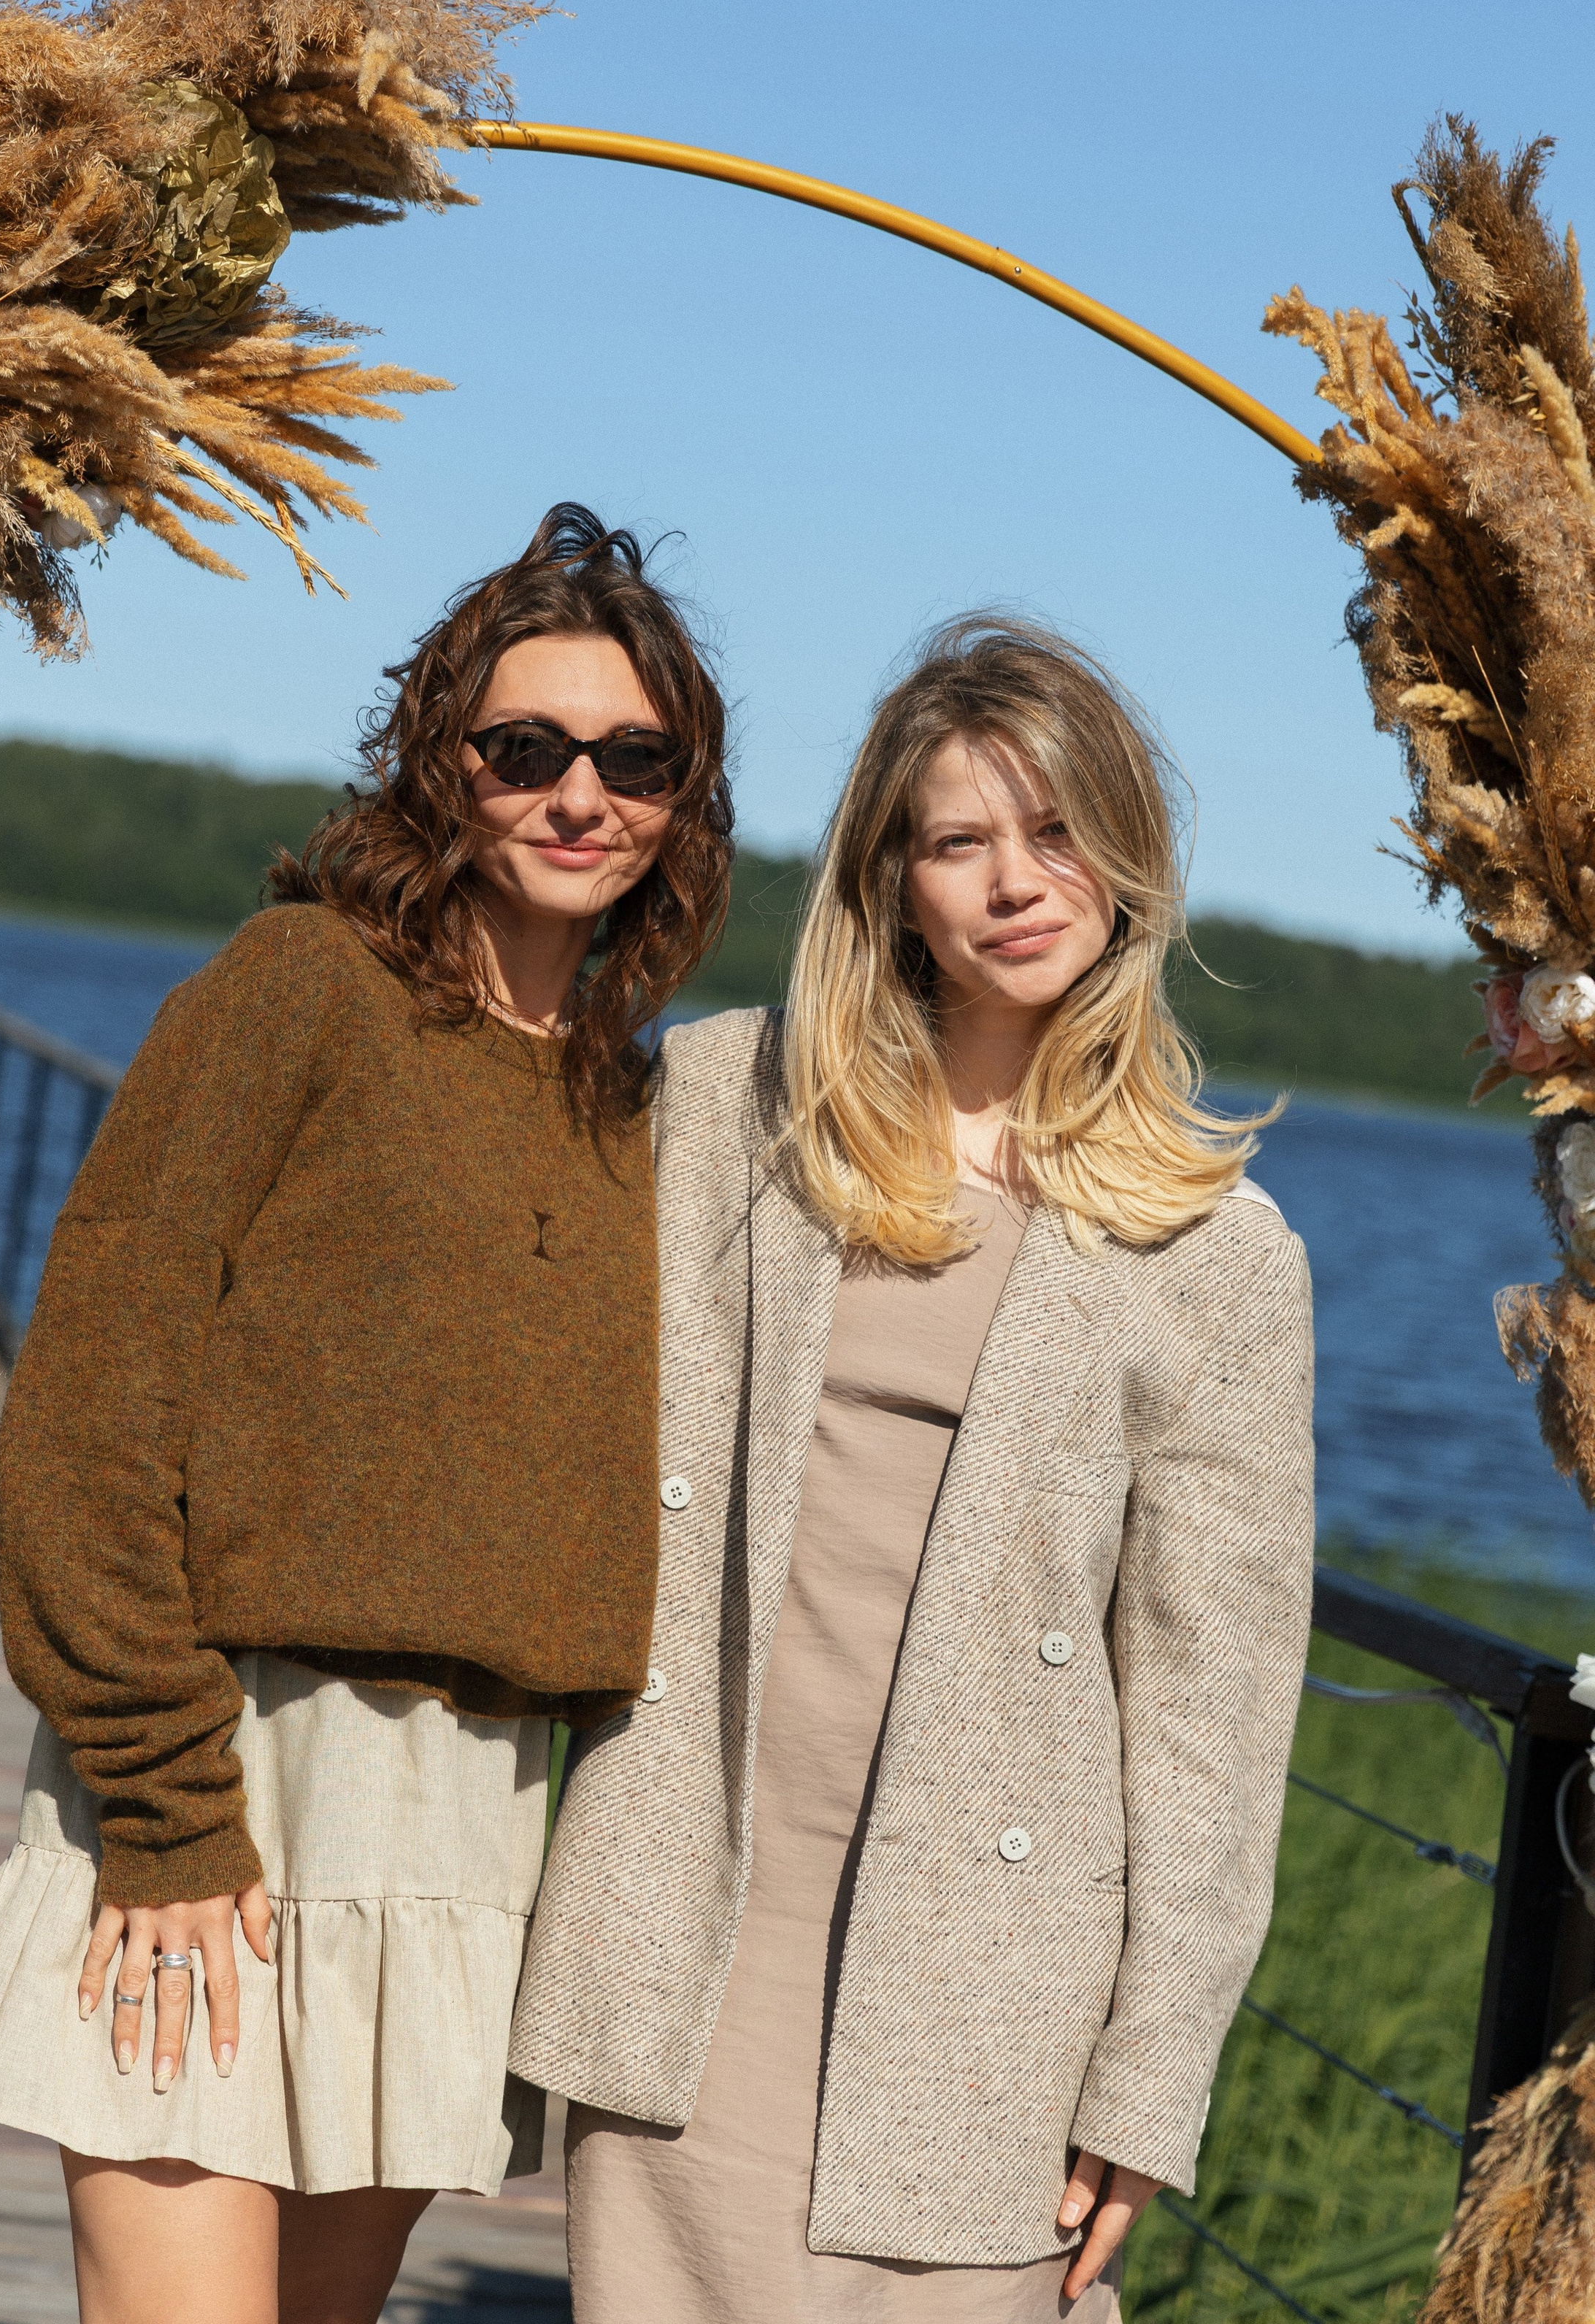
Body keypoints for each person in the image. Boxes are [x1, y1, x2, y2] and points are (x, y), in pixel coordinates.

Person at [0, 506, 734, 2324]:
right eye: (522, 749)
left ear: (684, 797)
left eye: (633, 758)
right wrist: (163, 1808)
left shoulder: (631, 1105)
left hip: (460, 1826)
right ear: (438, 767)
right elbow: (92, 1401)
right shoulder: (301, 990)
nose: (576, 794)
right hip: (227, 1779)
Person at [510, 614, 1316, 2322]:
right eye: (960, 840)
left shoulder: (1215, 1251)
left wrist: (1146, 2082)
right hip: (694, 1915)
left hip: (988, 1986)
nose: (1015, 883)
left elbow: (1210, 1718)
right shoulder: (728, 1103)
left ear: (1127, 860)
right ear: (892, 881)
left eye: (1054, 831)